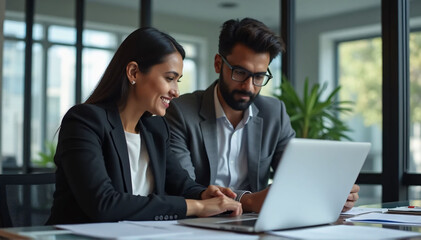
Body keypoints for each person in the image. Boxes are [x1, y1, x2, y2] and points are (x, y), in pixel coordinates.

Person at [46, 27, 242, 225]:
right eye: (169, 78)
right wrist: (197, 207)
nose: (176, 92)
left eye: (177, 80)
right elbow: (103, 204)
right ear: (133, 72)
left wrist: (204, 195)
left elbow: (181, 184)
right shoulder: (84, 121)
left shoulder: (156, 129)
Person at [165, 18, 360, 213]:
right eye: (240, 72)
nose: (248, 87)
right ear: (218, 64)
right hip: (198, 223)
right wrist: (247, 200)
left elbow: (297, 177)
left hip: (255, 223)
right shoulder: (181, 111)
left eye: (259, 76)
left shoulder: (274, 113)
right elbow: (185, 188)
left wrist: (330, 193)